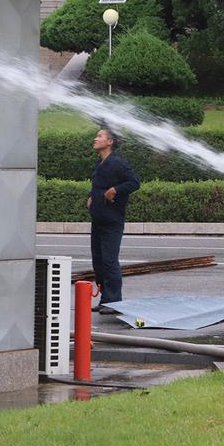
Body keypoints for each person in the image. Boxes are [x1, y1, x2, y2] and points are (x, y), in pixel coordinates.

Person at [86, 128, 140, 315]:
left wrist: (115, 190)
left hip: (112, 221)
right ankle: (105, 299)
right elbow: (99, 185)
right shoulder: (101, 163)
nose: (95, 138)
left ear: (110, 141)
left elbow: (134, 182)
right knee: (98, 261)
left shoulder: (118, 163)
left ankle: (115, 301)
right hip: (98, 219)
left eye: (100, 136)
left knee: (109, 261)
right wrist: (92, 197)